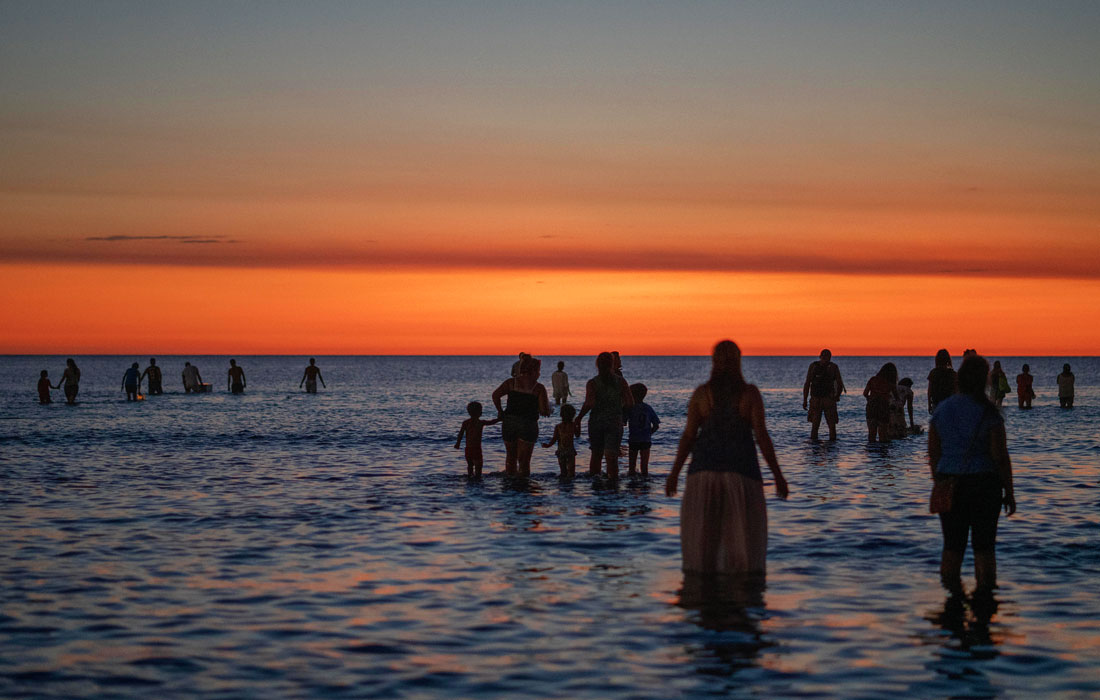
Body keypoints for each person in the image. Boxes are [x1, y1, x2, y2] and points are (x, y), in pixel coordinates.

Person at [665, 340, 789, 575]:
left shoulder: (702, 394)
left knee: (702, 549)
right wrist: (778, 476)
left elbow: (689, 436)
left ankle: (701, 593)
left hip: (703, 474)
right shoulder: (749, 394)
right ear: (738, 361)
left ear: (714, 362)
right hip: (741, 474)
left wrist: (674, 474)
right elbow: (761, 436)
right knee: (744, 546)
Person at [928, 354, 1015, 592]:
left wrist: (940, 482)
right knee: (984, 549)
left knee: (952, 548)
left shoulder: (943, 410)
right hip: (984, 485)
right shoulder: (989, 413)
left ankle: (952, 599)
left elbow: (933, 453)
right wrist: (1009, 491)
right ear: (985, 380)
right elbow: (1000, 456)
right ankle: (985, 599)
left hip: (950, 482)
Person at [576, 352, 634, 480]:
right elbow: (630, 403)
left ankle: (596, 485)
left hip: (596, 422)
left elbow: (589, 403)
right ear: (612, 364)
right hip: (614, 421)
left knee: (596, 455)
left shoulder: (592, 383)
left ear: (597, 365)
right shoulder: (621, 381)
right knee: (612, 456)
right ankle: (613, 484)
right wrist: (619, 409)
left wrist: (579, 417)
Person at [492, 355, 551, 476]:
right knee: (524, 461)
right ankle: (523, 484)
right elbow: (543, 410)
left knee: (510, 458)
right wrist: (548, 410)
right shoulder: (538, 388)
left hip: (509, 422)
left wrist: (500, 411)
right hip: (528, 424)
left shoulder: (511, 383)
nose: (539, 374)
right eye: (538, 371)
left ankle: (509, 482)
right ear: (534, 371)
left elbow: (495, 395)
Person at [802, 349, 845, 441]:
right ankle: (832, 445)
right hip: (828, 399)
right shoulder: (833, 367)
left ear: (820, 356)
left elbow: (807, 383)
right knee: (831, 426)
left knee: (815, 426)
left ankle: (814, 445)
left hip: (816, 399)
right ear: (830, 357)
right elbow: (840, 384)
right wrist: (836, 397)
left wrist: (805, 399)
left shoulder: (813, 366)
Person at [454, 401, 500, 479]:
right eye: (481, 411)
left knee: (470, 465)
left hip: (468, 449)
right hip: (476, 448)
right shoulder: (480, 422)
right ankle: (478, 478)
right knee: (478, 466)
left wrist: (458, 443)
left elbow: (460, 434)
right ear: (479, 413)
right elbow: (491, 422)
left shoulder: (466, 422)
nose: (482, 412)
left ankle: (470, 477)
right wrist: (499, 419)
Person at [626, 383, 660, 476]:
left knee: (631, 467)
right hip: (646, 440)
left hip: (633, 439)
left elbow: (623, 421)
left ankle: (632, 481)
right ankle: (645, 481)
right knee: (644, 467)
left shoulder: (630, 408)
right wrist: (649, 433)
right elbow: (656, 425)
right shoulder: (648, 408)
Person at [863, 362, 897, 443]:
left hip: (872, 407)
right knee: (883, 436)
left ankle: (872, 450)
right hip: (883, 407)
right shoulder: (890, 383)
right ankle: (882, 450)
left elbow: (865, 393)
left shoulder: (873, 379)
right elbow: (897, 398)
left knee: (871, 435)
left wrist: (869, 399)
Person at [542, 404, 578, 478]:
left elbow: (554, 439)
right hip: (570, 450)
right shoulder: (573, 425)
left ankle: (562, 483)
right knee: (571, 472)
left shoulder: (558, 426)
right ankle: (570, 483)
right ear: (572, 415)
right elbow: (578, 435)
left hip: (561, 450)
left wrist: (548, 445)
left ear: (561, 415)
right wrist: (579, 425)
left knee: (563, 472)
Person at [928, 349, 958, 414]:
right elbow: (956, 391)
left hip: (936, 403)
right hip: (949, 404)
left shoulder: (933, 373)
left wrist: (929, 405)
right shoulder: (953, 374)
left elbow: (929, 391)